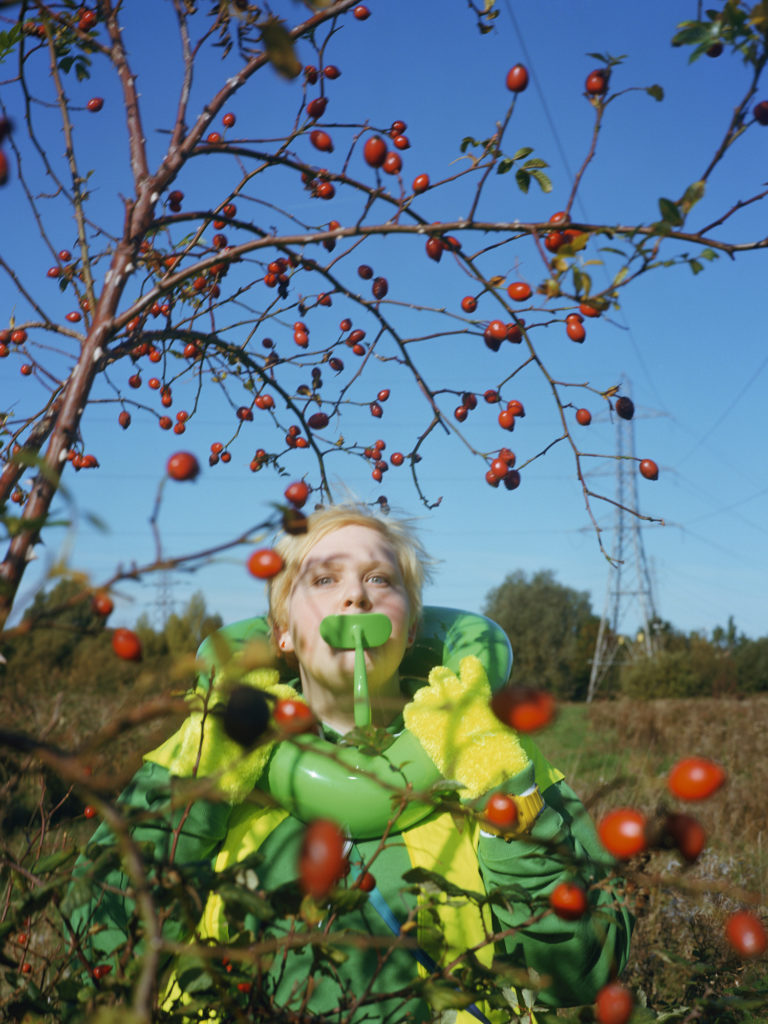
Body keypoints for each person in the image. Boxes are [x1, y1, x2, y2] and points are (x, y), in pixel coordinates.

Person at [67, 503, 633, 1023]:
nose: (356, 597)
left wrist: (503, 795)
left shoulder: (495, 746)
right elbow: (101, 945)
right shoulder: (210, 742)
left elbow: (578, 972)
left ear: (413, 630)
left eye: (380, 579)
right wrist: (202, 777)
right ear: (282, 632)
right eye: (324, 579)